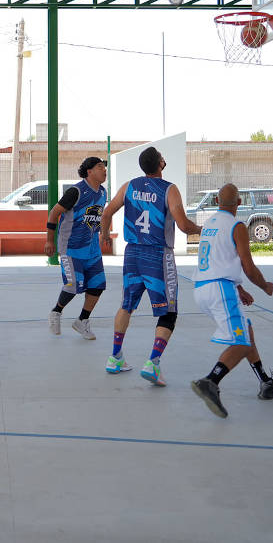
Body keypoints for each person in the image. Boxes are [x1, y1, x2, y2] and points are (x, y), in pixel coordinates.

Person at [99, 146, 200, 386]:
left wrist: (104, 235)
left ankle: (115, 357)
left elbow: (106, 214)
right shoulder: (169, 189)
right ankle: (153, 363)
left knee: (127, 305)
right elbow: (184, 226)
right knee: (169, 311)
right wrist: (204, 230)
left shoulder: (129, 186)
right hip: (158, 256)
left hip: (132, 253)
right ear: (161, 163)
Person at [189, 183, 273, 418]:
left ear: (216, 202)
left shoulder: (209, 225)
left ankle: (266, 382)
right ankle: (210, 381)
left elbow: (218, 260)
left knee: (247, 331)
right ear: (239, 203)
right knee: (241, 342)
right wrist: (264, 285)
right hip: (220, 290)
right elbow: (249, 266)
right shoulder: (237, 226)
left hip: (202, 288)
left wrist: (238, 287)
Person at [44, 156, 108, 340]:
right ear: (89, 171)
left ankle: (82, 321)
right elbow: (54, 213)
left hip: (92, 249)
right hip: (70, 247)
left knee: (97, 285)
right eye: (100, 167)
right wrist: (50, 241)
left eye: (104, 167)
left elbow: (98, 216)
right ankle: (56, 312)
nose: (104, 170)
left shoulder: (103, 193)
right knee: (72, 286)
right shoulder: (76, 191)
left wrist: (104, 233)